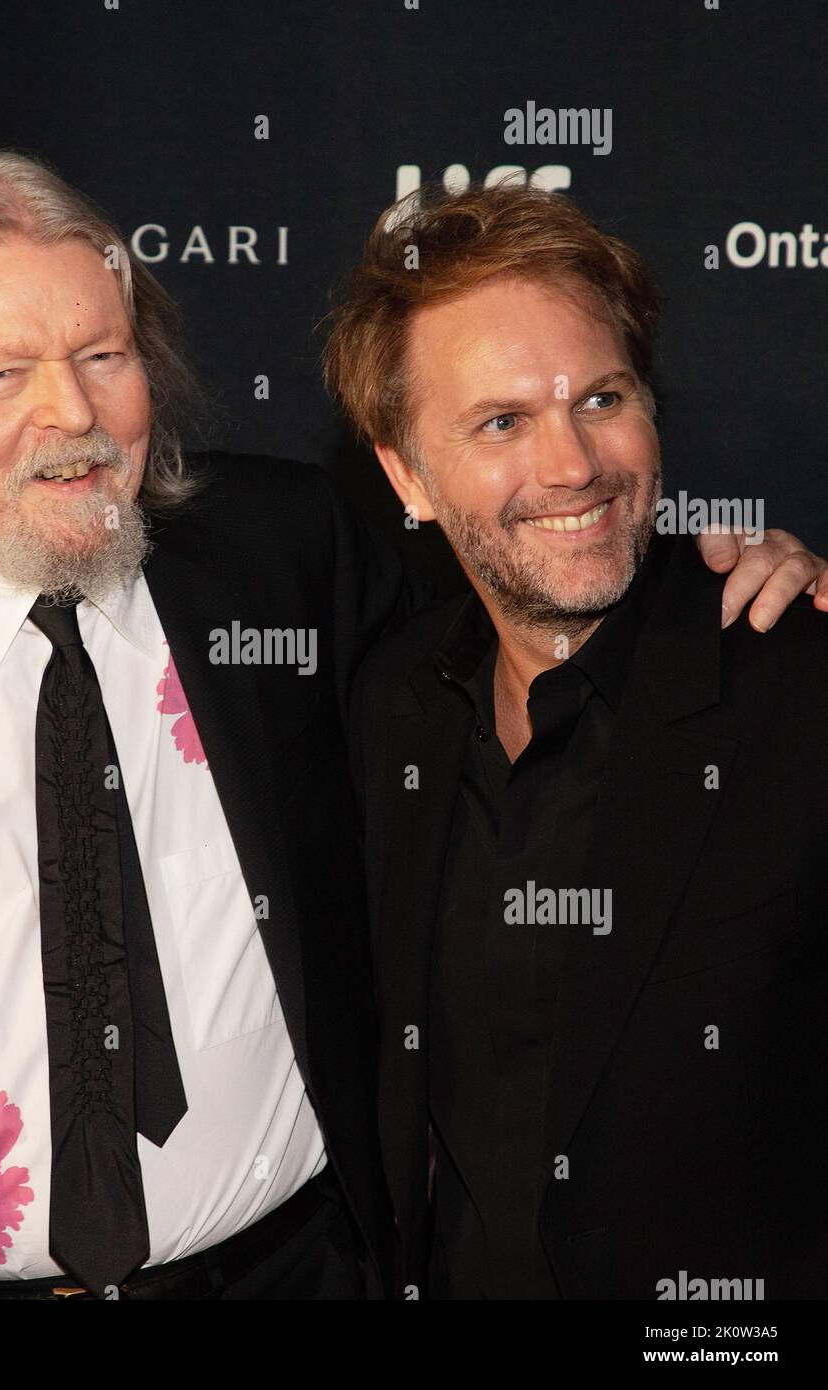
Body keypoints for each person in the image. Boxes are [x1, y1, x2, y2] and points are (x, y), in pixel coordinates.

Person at [0, 151, 820, 1301]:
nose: (71, 412)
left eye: (104, 355)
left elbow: (535, 564)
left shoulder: (281, 558)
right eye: (2, 374)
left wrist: (749, 576)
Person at [327, 181, 828, 1299]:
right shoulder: (388, 707)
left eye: (601, 399)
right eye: (502, 421)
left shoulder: (796, 678)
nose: (572, 467)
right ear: (406, 474)